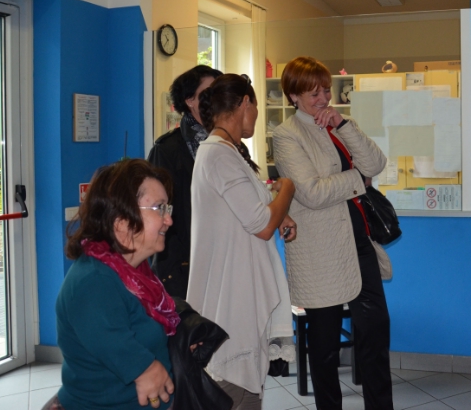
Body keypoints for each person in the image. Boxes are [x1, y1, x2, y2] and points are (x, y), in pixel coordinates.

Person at [273, 56, 393, 410]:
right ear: (294, 96)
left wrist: (343, 124)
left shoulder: (337, 125)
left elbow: (376, 163)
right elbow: (311, 193)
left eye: (326, 90)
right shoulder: (286, 135)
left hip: (359, 244)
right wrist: (358, 180)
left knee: (375, 333)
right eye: (314, 93)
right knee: (324, 347)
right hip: (319, 252)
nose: (324, 98)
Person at [187, 73, 297, 409]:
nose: (257, 115)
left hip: (240, 285)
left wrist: (277, 209)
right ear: (245, 103)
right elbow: (261, 224)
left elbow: (249, 210)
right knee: (235, 385)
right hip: (231, 294)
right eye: (256, 107)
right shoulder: (218, 154)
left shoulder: (227, 151)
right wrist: (287, 189)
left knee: (248, 386)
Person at [54, 159, 179, 410]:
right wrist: (146, 369)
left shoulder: (135, 273)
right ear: (121, 223)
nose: (169, 220)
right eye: (159, 208)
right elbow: (113, 342)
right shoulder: (93, 282)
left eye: (167, 208)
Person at [148, 65, 222, 298]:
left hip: (223, 257)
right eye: (208, 93)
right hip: (185, 264)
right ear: (190, 100)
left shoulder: (229, 144)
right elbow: (160, 212)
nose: (216, 100)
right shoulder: (168, 149)